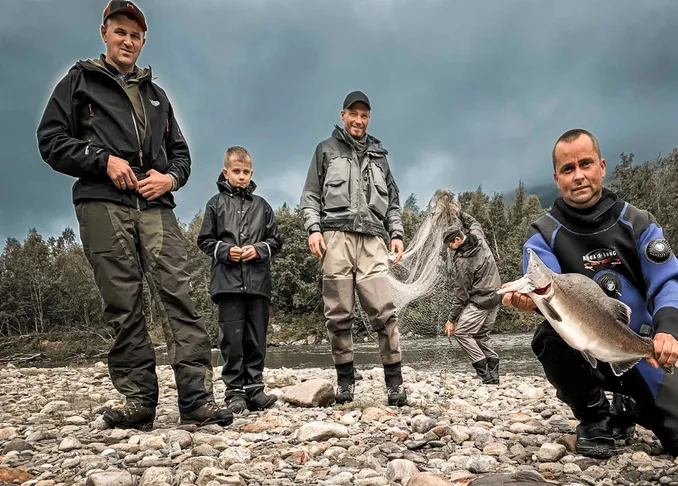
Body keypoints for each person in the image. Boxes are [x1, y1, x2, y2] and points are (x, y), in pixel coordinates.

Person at [35, 1, 232, 429]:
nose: (128, 40)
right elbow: (50, 141)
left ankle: (197, 401)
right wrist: (101, 160)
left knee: (180, 296)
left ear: (144, 42)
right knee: (123, 304)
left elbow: (181, 155)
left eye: (136, 35)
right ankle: (139, 401)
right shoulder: (78, 82)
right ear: (105, 32)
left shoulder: (157, 96)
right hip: (102, 204)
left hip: (156, 208)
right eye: (121, 31)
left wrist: (171, 180)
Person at [501, 129, 678, 459]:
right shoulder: (543, 234)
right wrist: (534, 301)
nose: (578, 175)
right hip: (582, 349)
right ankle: (595, 415)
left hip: (639, 346)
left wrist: (667, 331)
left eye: (586, 164)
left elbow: (670, 283)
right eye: (568, 169)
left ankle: (633, 405)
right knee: (549, 337)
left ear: (602, 166)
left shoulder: (637, 222)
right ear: (556, 178)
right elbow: (545, 283)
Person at [299, 90, 408, 407]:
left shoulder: (380, 156)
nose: (359, 120)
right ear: (343, 114)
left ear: (368, 118)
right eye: (354, 114)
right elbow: (310, 196)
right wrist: (313, 229)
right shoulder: (325, 150)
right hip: (336, 238)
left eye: (365, 115)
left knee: (384, 311)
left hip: (373, 240)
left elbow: (393, 203)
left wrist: (396, 234)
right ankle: (345, 382)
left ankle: (395, 384)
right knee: (338, 314)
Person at [197, 146, 282, 414]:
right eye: (236, 171)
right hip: (227, 284)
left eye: (246, 172)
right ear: (226, 172)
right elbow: (204, 241)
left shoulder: (263, 206)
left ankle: (255, 389)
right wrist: (224, 250)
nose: (241, 176)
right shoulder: (215, 204)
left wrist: (259, 249)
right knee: (232, 340)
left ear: (251, 173)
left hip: (258, 284)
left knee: (256, 338)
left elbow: (276, 241)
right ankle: (234, 392)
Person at [443, 206, 502, 385]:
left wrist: (451, 319)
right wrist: (459, 213)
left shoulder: (463, 262)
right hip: (496, 296)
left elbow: (461, 293)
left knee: (462, 333)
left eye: (450, 245)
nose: (450, 249)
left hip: (481, 301)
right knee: (481, 335)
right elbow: (473, 222)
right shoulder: (480, 238)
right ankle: (494, 376)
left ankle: (483, 372)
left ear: (458, 240)